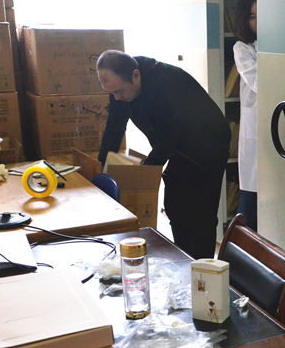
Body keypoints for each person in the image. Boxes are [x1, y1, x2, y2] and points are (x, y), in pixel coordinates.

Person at [96, 50, 230, 259]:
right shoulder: (120, 85)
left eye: (120, 92)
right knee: (175, 206)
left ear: (136, 75)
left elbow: (169, 138)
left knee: (200, 213)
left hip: (207, 146)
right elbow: (114, 127)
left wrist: (145, 173)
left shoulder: (167, 82)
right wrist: (101, 165)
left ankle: (201, 266)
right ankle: (183, 258)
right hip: (177, 146)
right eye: (111, 93)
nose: (117, 98)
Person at [232, 0, 258, 230]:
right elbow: (259, 81)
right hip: (256, 127)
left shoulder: (282, 45)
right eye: (252, 17)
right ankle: (240, 244)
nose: (258, 22)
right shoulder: (242, 48)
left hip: (278, 125)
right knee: (251, 197)